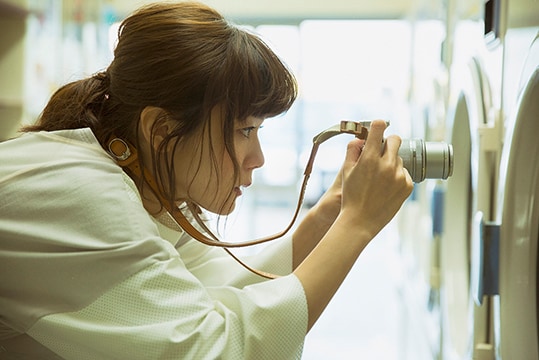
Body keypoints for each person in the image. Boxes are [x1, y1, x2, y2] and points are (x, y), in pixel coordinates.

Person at [0, 1, 413, 359]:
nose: (259, 159)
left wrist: (333, 209)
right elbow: (216, 349)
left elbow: (209, 285)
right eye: (244, 130)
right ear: (160, 128)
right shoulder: (82, 194)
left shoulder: (145, 183)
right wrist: (357, 223)